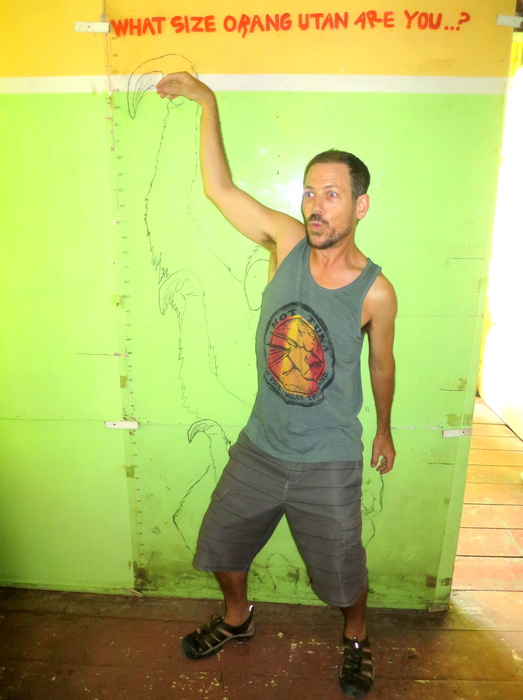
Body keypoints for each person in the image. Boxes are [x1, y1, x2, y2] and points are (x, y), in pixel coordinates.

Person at [156, 71, 397, 698]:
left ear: (360, 206)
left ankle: (355, 636)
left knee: (342, 572)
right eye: (310, 191)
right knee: (221, 544)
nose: (316, 205)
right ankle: (238, 618)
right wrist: (207, 102)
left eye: (332, 194)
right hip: (261, 446)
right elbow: (219, 189)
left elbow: (382, 366)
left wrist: (386, 431)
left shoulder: (376, 291)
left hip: (329, 457)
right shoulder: (286, 242)